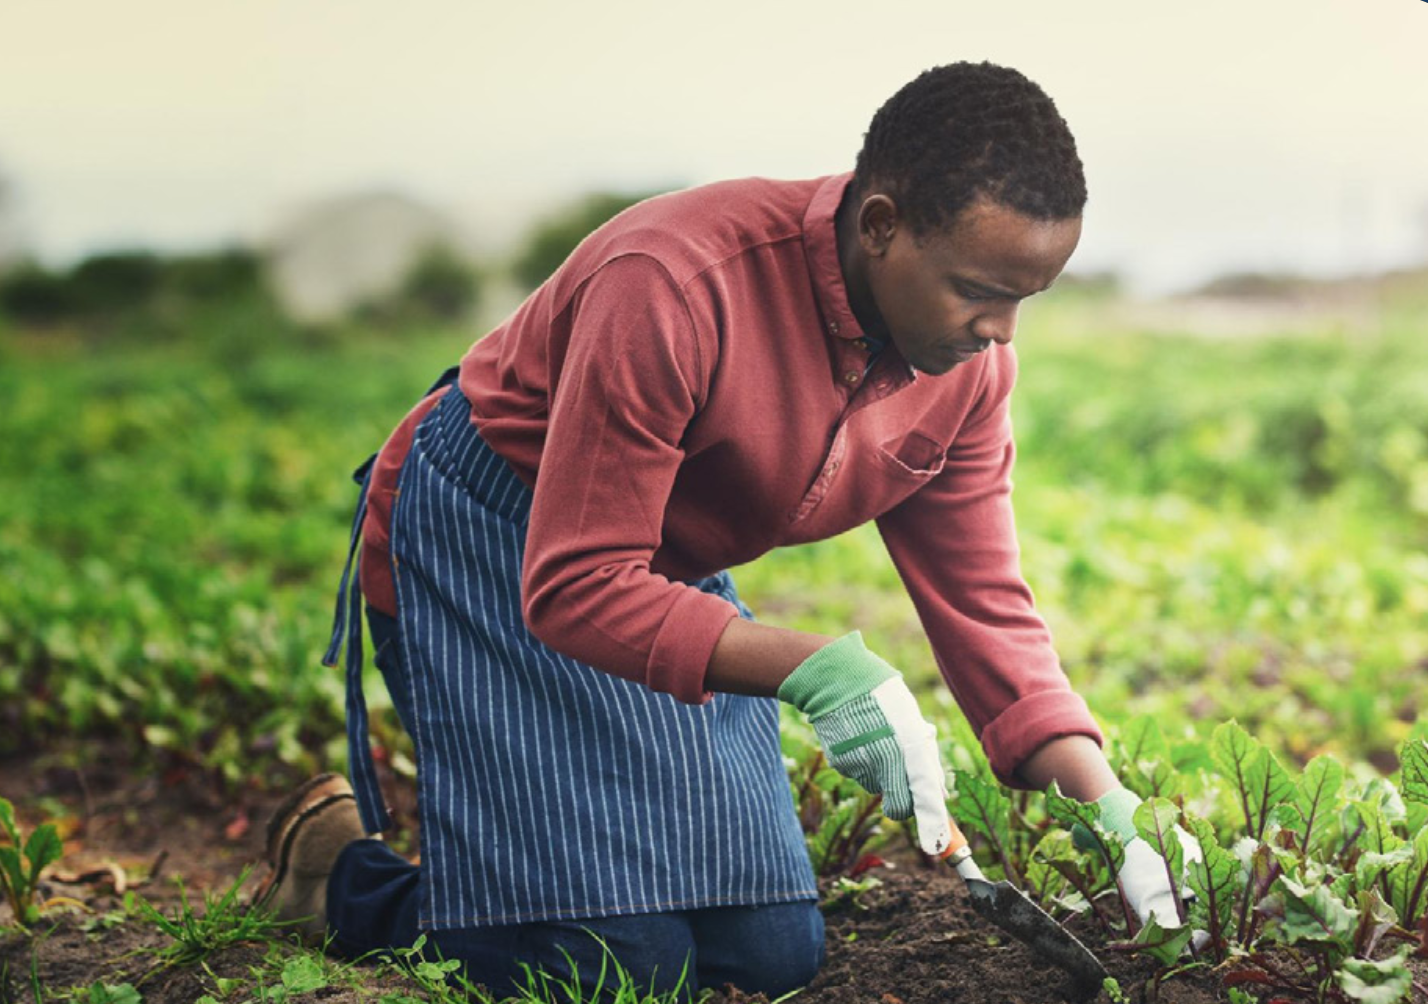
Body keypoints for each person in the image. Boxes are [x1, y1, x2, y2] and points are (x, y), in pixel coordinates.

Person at [257, 61, 1182, 997]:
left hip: (660, 566)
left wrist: (1105, 800)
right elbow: (576, 582)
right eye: (979, 289)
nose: (1003, 332)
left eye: (1029, 297)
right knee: (612, 968)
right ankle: (342, 879)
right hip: (499, 535)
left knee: (769, 953)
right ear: (881, 227)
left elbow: (984, 603)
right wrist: (818, 670)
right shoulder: (671, 285)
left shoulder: (967, 370)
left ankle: (540, 886)